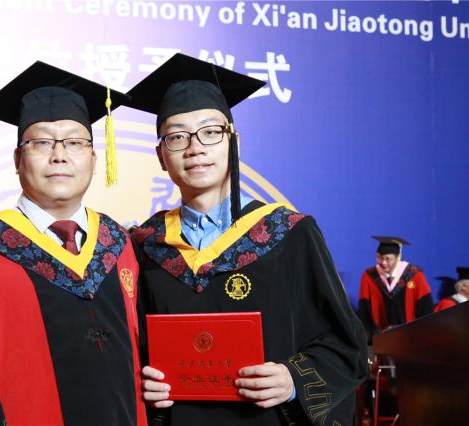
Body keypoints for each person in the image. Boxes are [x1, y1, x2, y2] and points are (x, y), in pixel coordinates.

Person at [126, 53, 368, 425]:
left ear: (234, 142)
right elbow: (129, 348)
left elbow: (346, 344)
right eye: (176, 137)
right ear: (161, 156)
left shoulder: (289, 234)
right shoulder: (145, 246)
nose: (194, 148)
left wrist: (293, 379)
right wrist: (144, 382)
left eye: (210, 132)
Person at [0, 61, 147, 425]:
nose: (59, 155)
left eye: (75, 142)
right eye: (41, 143)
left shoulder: (119, 246)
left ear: (93, 159)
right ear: (18, 159)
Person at [357, 236, 434, 343]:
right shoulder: (369, 276)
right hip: (381, 339)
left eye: (388, 259)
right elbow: (364, 310)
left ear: (398, 257)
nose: (383, 262)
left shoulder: (415, 275)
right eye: (379, 258)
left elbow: (426, 309)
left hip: (410, 338)